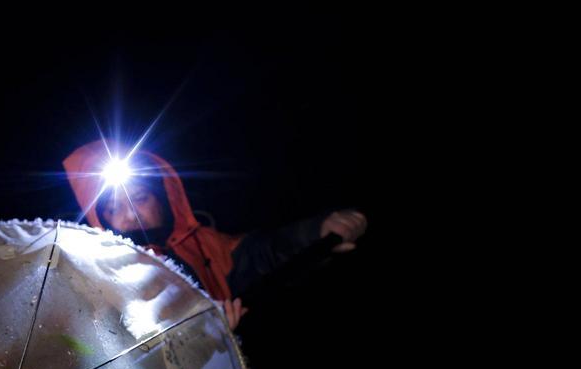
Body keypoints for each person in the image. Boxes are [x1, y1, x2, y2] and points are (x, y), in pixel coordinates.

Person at [63, 140, 367, 329]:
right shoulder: (102, 275)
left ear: (163, 196)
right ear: (100, 218)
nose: (129, 215)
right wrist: (201, 341)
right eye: (113, 209)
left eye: (140, 198)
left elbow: (259, 253)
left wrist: (315, 233)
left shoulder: (198, 242)